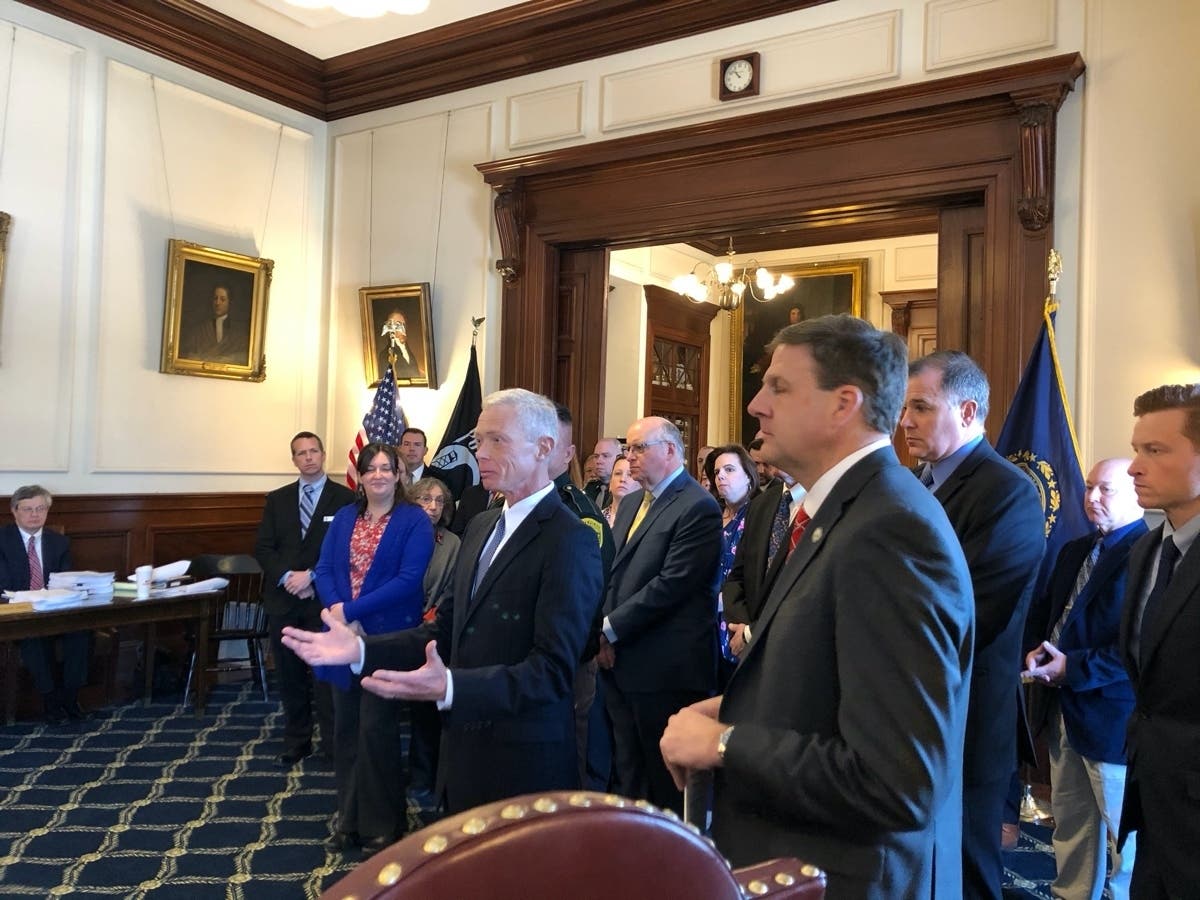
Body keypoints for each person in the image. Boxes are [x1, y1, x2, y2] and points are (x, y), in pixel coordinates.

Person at [659, 314, 973, 898]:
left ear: (843, 404)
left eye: (778, 387)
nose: (756, 405)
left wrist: (724, 743)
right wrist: (737, 706)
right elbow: (836, 683)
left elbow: (899, 779)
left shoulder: (889, 530)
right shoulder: (847, 510)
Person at [283, 389, 604, 814]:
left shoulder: (570, 539)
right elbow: (445, 628)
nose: (481, 453)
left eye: (497, 440)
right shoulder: (483, 525)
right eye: (480, 440)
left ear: (544, 448)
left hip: (521, 761)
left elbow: (552, 673)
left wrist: (451, 687)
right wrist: (362, 650)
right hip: (463, 747)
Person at [901, 349, 1045, 900]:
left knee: (965, 864)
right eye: (904, 408)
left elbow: (972, 614)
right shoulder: (914, 483)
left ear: (966, 412)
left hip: (968, 711)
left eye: (920, 407)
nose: (905, 421)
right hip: (912, 705)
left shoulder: (1009, 492)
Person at [1023, 458, 1146, 900]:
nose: (1092, 497)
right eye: (1089, 487)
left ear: (1135, 495)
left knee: (1123, 833)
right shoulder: (1075, 549)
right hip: (1061, 709)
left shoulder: (1148, 555)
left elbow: (1136, 649)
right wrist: (1036, 649)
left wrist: (1071, 668)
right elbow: (1049, 616)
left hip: (1112, 717)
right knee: (1072, 821)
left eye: (1105, 489)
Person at [311, 443, 433, 854]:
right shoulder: (346, 516)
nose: (378, 475)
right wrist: (337, 611)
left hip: (386, 640)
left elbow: (409, 580)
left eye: (386, 468)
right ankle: (349, 820)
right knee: (345, 732)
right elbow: (324, 569)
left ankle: (383, 823)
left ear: (398, 475)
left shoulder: (414, 521)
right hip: (341, 637)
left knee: (376, 731)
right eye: (371, 468)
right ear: (360, 477)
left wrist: (352, 610)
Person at [600, 416, 723, 815]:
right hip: (620, 661)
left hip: (666, 670)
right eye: (627, 449)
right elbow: (612, 572)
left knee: (665, 788)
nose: (629, 457)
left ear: (670, 450)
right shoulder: (632, 502)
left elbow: (671, 585)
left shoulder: (697, 506)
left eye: (639, 448)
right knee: (628, 777)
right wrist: (604, 632)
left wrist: (609, 629)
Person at [1118, 384, 1200, 898]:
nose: (1134, 467)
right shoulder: (1145, 550)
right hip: (1151, 803)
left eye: (1154, 450)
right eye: (1136, 449)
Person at [254, 431, 355, 766]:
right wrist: (288, 578)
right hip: (284, 600)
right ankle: (296, 741)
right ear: (294, 460)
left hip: (322, 600)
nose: (308, 457)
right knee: (289, 675)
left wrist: (311, 576)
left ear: (323, 455)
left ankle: (331, 743)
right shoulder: (277, 499)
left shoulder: (345, 498)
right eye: (301, 453)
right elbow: (264, 548)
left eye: (314, 451)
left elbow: (345, 550)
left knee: (325, 676)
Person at [549, 403, 615, 790]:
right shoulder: (502, 509)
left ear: (568, 453)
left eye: (548, 443)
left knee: (570, 755)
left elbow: (590, 590)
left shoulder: (577, 510)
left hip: (568, 656)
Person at [0, 485, 89, 724]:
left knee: (81, 633)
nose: (34, 514)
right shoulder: (2, 540)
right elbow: (2, 587)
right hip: (17, 613)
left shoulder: (59, 542)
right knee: (33, 636)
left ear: (47, 511)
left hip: (54, 611)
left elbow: (66, 580)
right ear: (14, 511)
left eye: (40, 508)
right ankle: (50, 702)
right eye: (27, 509)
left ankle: (70, 698)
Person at [407, 475, 461, 822]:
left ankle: (424, 774)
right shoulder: (401, 534)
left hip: (433, 629)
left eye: (439, 501)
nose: (433, 507)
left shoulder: (452, 542)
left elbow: (454, 585)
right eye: (426, 499)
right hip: (398, 624)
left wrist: (434, 614)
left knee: (428, 710)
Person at [704, 444, 760, 683]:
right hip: (705, 623)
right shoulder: (710, 514)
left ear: (748, 476)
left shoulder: (759, 514)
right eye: (717, 472)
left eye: (729, 469)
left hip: (738, 621)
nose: (721, 477)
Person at [181, 285, 249, 363]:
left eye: (222, 299)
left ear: (230, 302)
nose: (217, 303)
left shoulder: (238, 331)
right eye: (215, 298)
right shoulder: (199, 330)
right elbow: (189, 355)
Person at [376, 309, 423, 380]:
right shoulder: (384, 355)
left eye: (403, 324)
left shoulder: (408, 350)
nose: (402, 328)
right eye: (399, 324)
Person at [602, 454, 638, 527]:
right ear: (610, 483)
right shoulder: (598, 518)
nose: (622, 479)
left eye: (630, 474)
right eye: (618, 473)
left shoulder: (644, 520)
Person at [586, 437, 622, 509]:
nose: (598, 461)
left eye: (605, 456)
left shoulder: (623, 489)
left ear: (618, 458)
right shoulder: (589, 488)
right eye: (596, 456)